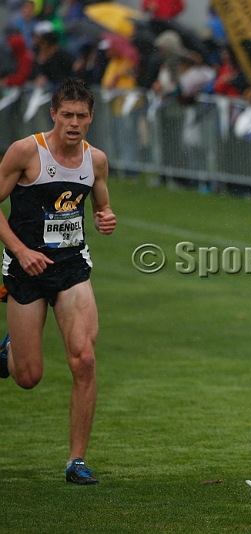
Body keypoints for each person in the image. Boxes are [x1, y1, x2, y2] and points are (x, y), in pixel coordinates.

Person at [0, 78, 116, 484]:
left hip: (71, 268)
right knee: (28, 378)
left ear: (90, 118)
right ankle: (10, 351)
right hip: (26, 268)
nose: (74, 123)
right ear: (53, 113)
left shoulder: (95, 160)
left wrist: (106, 218)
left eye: (82, 116)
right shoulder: (26, 152)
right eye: (67, 115)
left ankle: (76, 461)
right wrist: (20, 250)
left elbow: (101, 205)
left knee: (84, 359)